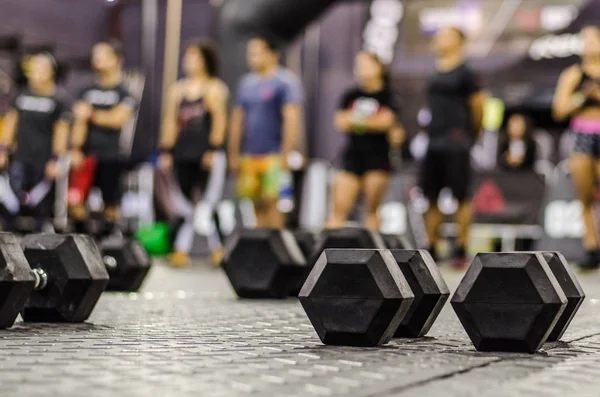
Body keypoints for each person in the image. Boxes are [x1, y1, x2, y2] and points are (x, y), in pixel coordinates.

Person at [158, 39, 228, 268]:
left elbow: (219, 121)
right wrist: (166, 151)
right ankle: (181, 250)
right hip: (183, 153)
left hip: (206, 153)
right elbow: (170, 122)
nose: (188, 61)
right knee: (185, 205)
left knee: (208, 203)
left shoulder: (214, 88)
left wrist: (213, 149)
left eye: (194, 57)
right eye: (187, 57)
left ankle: (218, 249)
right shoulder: (178, 90)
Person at [420, 26, 485, 268]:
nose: (440, 40)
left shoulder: (467, 72)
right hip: (433, 141)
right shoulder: (433, 71)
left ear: (459, 41)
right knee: (431, 195)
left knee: (461, 195)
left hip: (457, 142)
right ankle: (432, 246)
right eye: (439, 36)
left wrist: (468, 135)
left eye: (446, 36)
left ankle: (461, 247)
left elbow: (479, 107)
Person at [228, 36, 304, 228]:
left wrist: (286, 153)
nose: (252, 57)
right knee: (255, 204)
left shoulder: (285, 82)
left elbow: (292, 118)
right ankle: (261, 251)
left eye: (257, 52)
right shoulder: (245, 84)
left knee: (273, 202)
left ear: (273, 54)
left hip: (274, 154)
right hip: (250, 155)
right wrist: (234, 153)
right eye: (250, 53)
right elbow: (238, 120)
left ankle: (276, 250)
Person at [326, 51, 401, 230]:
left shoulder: (388, 96)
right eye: (358, 65)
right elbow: (340, 122)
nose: (361, 69)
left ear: (378, 68)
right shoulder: (350, 95)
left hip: (378, 156)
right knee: (338, 209)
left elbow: (386, 122)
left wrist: (355, 119)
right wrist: (371, 121)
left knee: (372, 210)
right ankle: (327, 252)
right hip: (353, 155)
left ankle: (375, 253)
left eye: (366, 64)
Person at [69, 40, 136, 235]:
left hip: (111, 155)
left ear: (117, 60)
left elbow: (117, 119)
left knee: (111, 206)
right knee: (76, 204)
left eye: (103, 55)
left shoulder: (123, 91)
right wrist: (76, 149)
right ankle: (81, 244)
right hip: (87, 156)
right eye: (95, 55)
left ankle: (109, 246)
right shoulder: (86, 90)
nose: (97, 59)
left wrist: (92, 114)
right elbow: (79, 123)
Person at [0, 52, 70, 232]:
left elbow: (61, 131)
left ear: (50, 72)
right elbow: (10, 123)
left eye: (39, 69)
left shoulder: (59, 99)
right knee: (11, 207)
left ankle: (36, 252)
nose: (34, 74)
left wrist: (55, 160)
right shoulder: (21, 96)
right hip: (21, 159)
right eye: (32, 70)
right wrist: (3, 151)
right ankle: (9, 251)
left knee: (40, 210)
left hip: (44, 161)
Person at [553, 25, 600, 270]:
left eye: (594, 39)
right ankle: (591, 248)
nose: (589, 44)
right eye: (585, 40)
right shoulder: (573, 74)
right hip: (582, 133)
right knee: (584, 196)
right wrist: (582, 96)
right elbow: (559, 109)